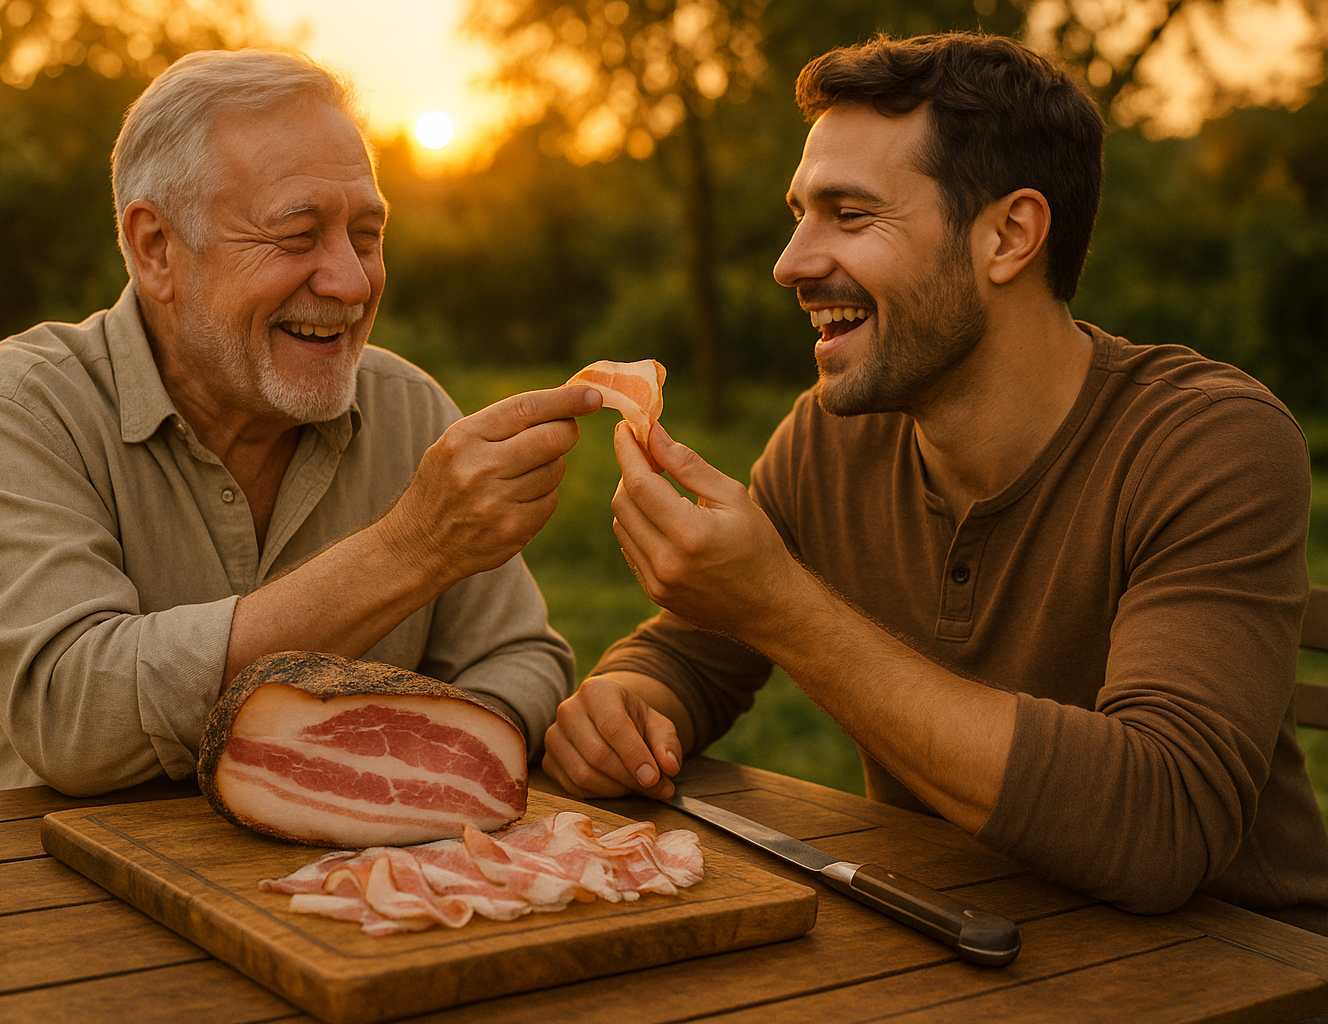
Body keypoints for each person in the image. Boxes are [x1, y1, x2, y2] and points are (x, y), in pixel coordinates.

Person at [545, 32, 1328, 934]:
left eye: (848, 214)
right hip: (965, 945)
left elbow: (1161, 825)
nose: (792, 262)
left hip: (1246, 976)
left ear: (1009, 235)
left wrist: (784, 609)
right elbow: (693, 650)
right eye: (798, 213)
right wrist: (628, 708)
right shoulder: (833, 438)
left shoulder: (1210, 442)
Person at [0, 49, 598, 796]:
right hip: (73, 900)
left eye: (368, 235)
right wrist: (410, 549)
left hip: (355, 895)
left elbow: (522, 658)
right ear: (155, 248)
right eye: (297, 235)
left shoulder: (410, 408)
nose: (350, 281)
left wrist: (409, 771)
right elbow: (72, 714)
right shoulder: (18, 410)